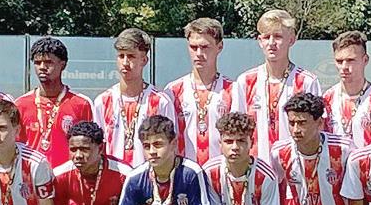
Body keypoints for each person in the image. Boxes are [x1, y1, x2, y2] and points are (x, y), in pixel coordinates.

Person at [229, 9, 322, 162]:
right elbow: (237, 128)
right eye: (267, 37)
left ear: (291, 40)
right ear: (260, 41)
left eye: (278, 36)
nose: (271, 43)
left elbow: (317, 128)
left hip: (295, 166)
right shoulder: (245, 81)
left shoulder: (307, 81)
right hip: (256, 166)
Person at [275, 93, 355, 205]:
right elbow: (273, 190)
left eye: (302, 123)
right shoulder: (279, 153)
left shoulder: (343, 149)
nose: (296, 130)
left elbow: (358, 196)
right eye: (292, 123)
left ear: (319, 123)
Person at [116, 115, 209, 205]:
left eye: (158, 144)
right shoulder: (135, 178)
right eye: (146, 146)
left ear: (173, 144)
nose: (152, 151)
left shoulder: (191, 173)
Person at [202, 112, 285, 205]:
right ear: (220, 143)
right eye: (228, 141)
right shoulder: (210, 172)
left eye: (241, 141)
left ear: (251, 142)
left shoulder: (266, 176)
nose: (235, 147)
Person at [94, 28, 179, 167]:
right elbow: (97, 146)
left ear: (144, 60)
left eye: (131, 56)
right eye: (121, 56)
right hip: (113, 175)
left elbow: (170, 145)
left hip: (148, 175)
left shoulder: (160, 101)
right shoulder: (102, 101)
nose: (125, 62)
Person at [51, 121, 134, 205]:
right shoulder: (61, 176)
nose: (78, 155)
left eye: (84, 149)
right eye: (73, 149)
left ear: (100, 148)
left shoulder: (124, 174)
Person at [19, 37, 96, 170]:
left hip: (68, 178)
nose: (42, 67)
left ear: (63, 65)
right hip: (32, 178)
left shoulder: (81, 104)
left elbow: (92, 145)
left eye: (48, 62)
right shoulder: (21, 104)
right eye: (37, 63)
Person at [167, 18, 233, 164]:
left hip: (220, 173)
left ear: (220, 46)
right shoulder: (173, 91)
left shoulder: (232, 90)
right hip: (184, 172)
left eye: (205, 47)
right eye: (193, 47)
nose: (199, 53)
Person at [321, 31, 371, 146]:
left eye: (350, 60)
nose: (344, 67)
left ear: (365, 60)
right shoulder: (326, 99)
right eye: (339, 61)